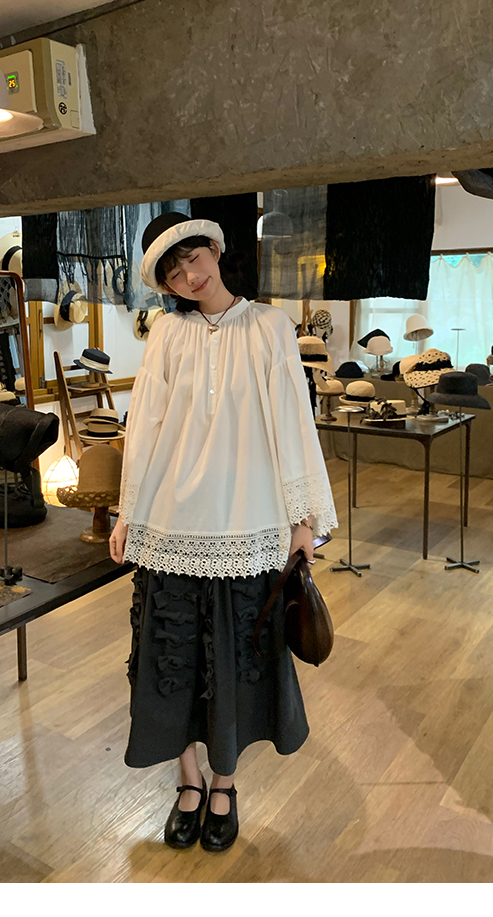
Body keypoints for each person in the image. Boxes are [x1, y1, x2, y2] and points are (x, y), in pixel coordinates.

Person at [109, 212, 337, 853]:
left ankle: (225, 785)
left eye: (193, 259)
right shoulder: (166, 334)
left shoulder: (268, 326)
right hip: (171, 523)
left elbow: (293, 421)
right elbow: (145, 426)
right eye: (172, 273)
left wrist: (302, 519)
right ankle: (189, 781)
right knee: (172, 659)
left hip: (247, 518)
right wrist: (128, 512)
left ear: (214, 249)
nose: (189, 276)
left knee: (235, 661)